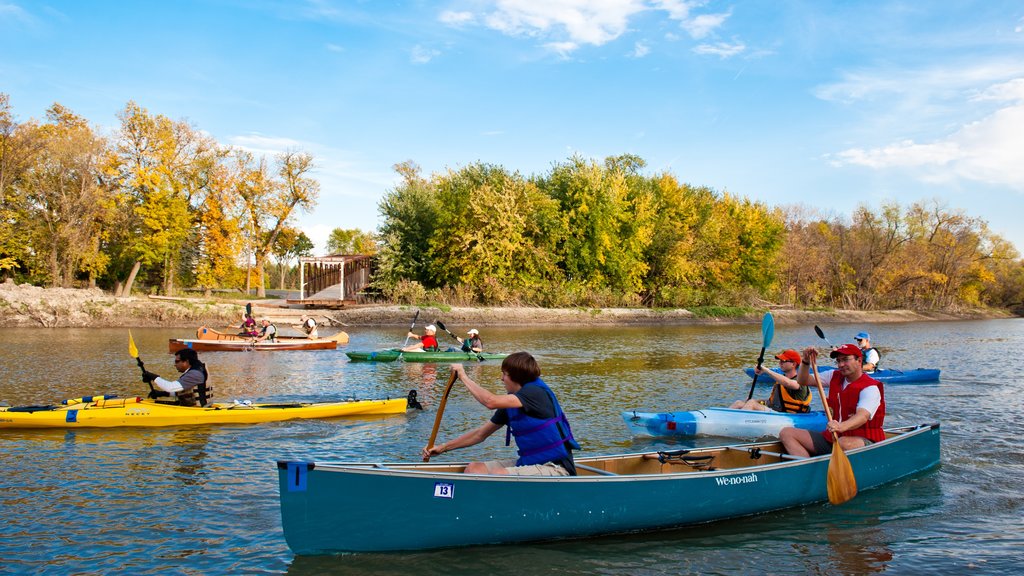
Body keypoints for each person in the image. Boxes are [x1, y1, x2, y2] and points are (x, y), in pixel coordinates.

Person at [422, 352, 579, 476]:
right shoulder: (511, 404)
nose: (501, 378)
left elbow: (489, 401)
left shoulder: (535, 394)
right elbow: (480, 435)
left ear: (515, 377)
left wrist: (463, 376)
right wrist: (443, 448)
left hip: (556, 467)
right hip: (529, 463)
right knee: (474, 469)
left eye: (504, 374)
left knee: (499, 475)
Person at [779, 344, 886, 457]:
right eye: (838, 361)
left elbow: (862, 416)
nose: (841, 365)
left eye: (845, 360)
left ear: (859, 361)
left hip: (865, 440)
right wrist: (805, 361)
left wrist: (840, 427)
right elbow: (802, 380)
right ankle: (807, 468)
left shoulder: (870, 388)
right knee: (786, 433)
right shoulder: (833, 376)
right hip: (834, 437)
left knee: (843, 443)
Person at [729, 349, 812, 412]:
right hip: (775, 412)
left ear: (793, 364)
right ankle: (723, 420)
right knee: (739, 403)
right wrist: (756, 400)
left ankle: (739, 426)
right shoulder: (781, 379)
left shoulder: (801, 381)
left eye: (783, 361)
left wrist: (765, 370)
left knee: (752, 404)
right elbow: (773, 402)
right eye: (780, 361)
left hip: (789, 416)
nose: (780, 363)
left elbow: (788, 382)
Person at [141, 348, 212, 407]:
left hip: (197, 411)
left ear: (186, 361)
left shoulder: (195, 374)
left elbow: (170, 387)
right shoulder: (197, 369)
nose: (175, 365)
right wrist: (163, 393)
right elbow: (186, 391)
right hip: (199, 408)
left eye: (177, 361)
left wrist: (153, 377)